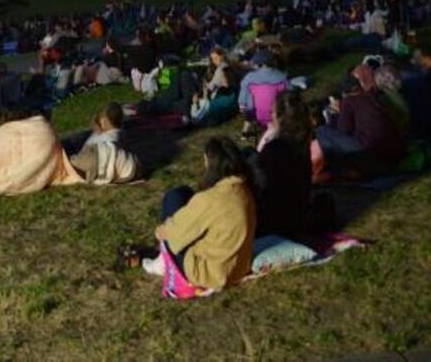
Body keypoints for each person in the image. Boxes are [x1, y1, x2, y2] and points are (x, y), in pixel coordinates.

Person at [142, 136, 256, 292]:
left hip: (207, 272)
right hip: (237, 267)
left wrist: (161, 232)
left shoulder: (212, 199)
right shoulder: (244, 191)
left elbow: (174, 233)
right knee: (186, 194)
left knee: (174, 197)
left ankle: (163, 262)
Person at [316, 64, 404, 171]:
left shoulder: (350, 101)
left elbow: (343, 132)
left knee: (321, 131)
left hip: (373, 157)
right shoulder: (378, 98)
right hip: (395, 154)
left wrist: (336, 114)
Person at [249, 92, 312, 239]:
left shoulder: (274, 148)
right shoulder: (302, 144)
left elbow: (262, 187)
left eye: (273, 112)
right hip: (298, 214)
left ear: (280, 117)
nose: (271, 116)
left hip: (275, 223)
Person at [69, 102, 139, 184]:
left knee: (72, 163)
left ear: (104, 121)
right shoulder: (118, 133)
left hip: (97, 158)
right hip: (117, 162)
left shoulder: (106, 138)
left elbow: (91, 150)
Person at [237, 48, 287, 136]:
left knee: (250, 93)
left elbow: (242, 100)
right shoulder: (281, 76)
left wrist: (243, 105)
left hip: (257, 115)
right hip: (278, 114)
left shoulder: (249, 77)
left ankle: (248, 129)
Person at [190, 46, 237, 125]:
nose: (214, 61)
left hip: (216, 105)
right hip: (231, 101)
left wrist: (195, 103)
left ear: (222, 56)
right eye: (213, 59)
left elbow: (195, 119)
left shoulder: (220, 71)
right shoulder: (232, 66)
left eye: (216, 58)